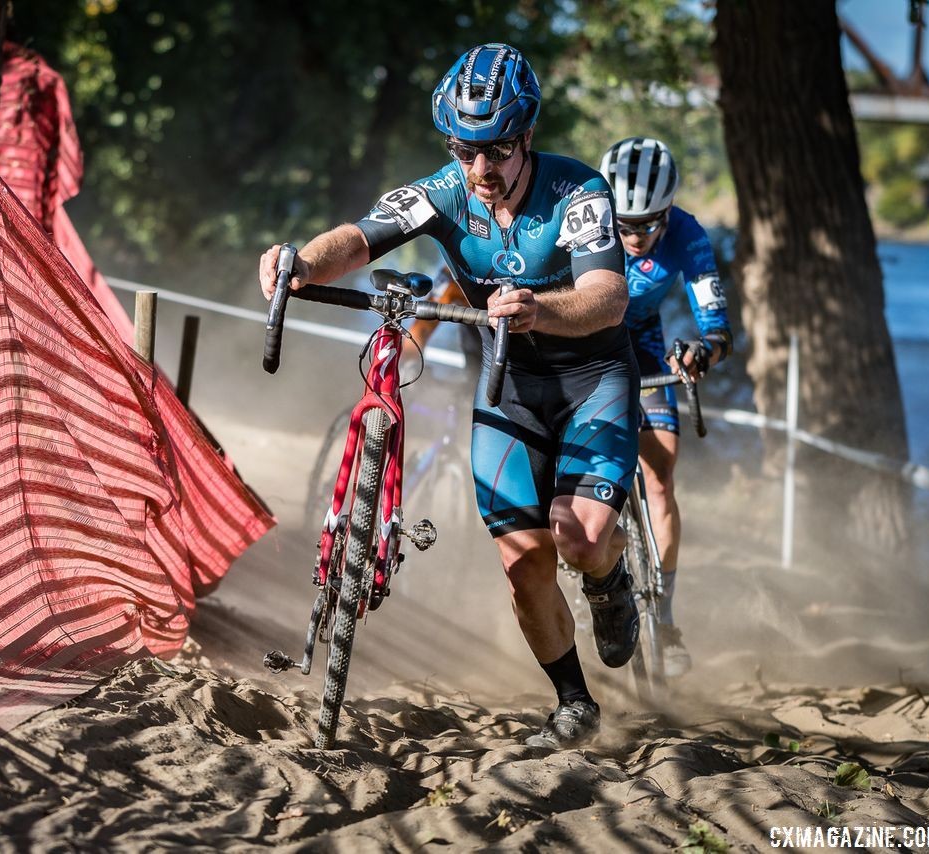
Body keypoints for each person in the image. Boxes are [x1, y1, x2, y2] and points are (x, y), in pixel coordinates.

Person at [258, 43, 642, 750]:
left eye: (497, 150)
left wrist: (540, 310)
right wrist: (300, 262)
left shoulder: (578, 191)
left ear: (527, 136)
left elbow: (609, 297)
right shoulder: (446, 191)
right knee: (523, 561)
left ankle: (610, 576)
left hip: (592, 379)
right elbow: (360, 238)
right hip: (510, 386)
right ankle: (573, 701)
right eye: (464, 151)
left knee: (580, 537)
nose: (481, 169)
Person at [598, 137, 733, 678]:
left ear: (670, 211)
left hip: (645, 345)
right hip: (585, 346)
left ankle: (667, 618)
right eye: (623, 225)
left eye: (648, 225)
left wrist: (702, 350)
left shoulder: (687, 235)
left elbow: (717, 328)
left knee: (660, 478)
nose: (633, 237)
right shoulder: (584, 220)